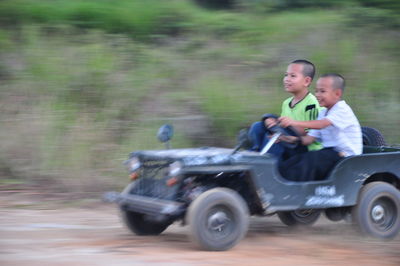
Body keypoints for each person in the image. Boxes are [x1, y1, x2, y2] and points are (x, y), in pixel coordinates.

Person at [277, 73, 362, 181]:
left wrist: (293, 122)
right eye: (316, 91)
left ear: (337, 93)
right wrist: (286, 138)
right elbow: (308, 139)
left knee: (311, 160)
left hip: (346, 156)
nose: (317, 95)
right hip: (329, 153)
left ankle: (295, 191)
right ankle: (277, 182)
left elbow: (322, 124)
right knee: (297, 159)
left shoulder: (342, 109)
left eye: (322, 91)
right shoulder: (323, 113)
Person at [249, 59, 322, 156]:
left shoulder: (312, 103)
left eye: (293, 76)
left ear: (306, 81)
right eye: (286, 75)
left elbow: (310, 133)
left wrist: (284, 126)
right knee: (257, 126)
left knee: (273, 138)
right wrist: (273, 122)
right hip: (288, 138)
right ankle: (254, 153)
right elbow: (282, 127)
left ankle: (264, 163)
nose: (287, 79)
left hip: (303, 146)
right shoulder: (286, 103)